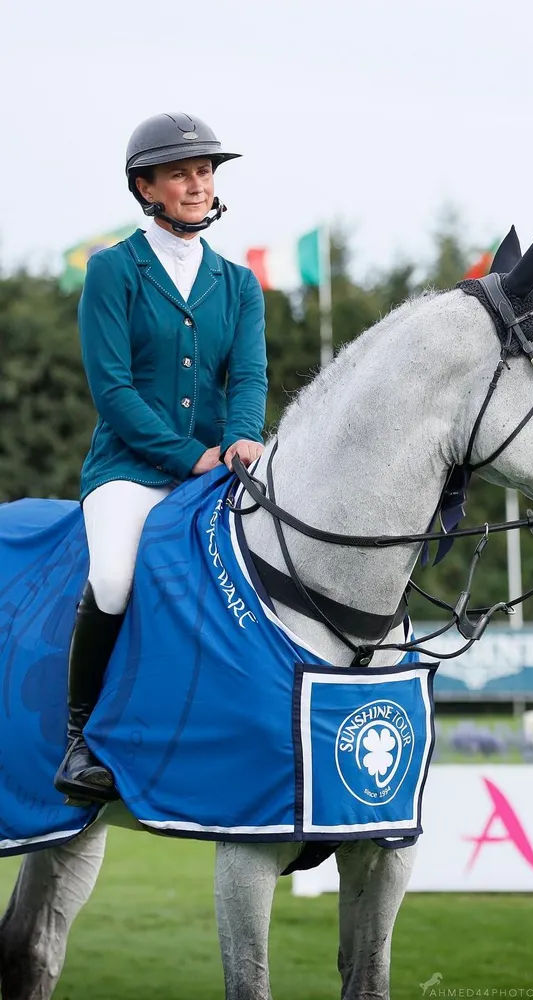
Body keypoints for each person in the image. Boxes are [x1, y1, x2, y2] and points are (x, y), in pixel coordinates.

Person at [54, 112, 268, 804]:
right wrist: (189, 455)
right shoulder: (112, 270)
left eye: (205, 171)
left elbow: (249, 377)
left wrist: (242, 436)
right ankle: (80, 740)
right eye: (181, 174)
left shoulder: (238, 284)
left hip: (217, 469)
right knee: (115, 579)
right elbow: (112, 390)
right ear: (146, 188)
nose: (198, 184)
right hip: (130, 469)